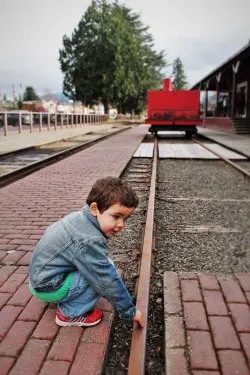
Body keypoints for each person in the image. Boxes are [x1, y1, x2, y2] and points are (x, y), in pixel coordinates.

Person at [29, 177, 144, 328]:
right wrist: (130, 311)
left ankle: (68, 295)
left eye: (126, 218)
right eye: (116, 216)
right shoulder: (88, 239)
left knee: (103, 265)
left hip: (38, 279)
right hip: (47, 287)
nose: (121, 225)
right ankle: (69, 314)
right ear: (95, 209)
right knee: (101, 274)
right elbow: (105, 278)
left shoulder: (79, 217)